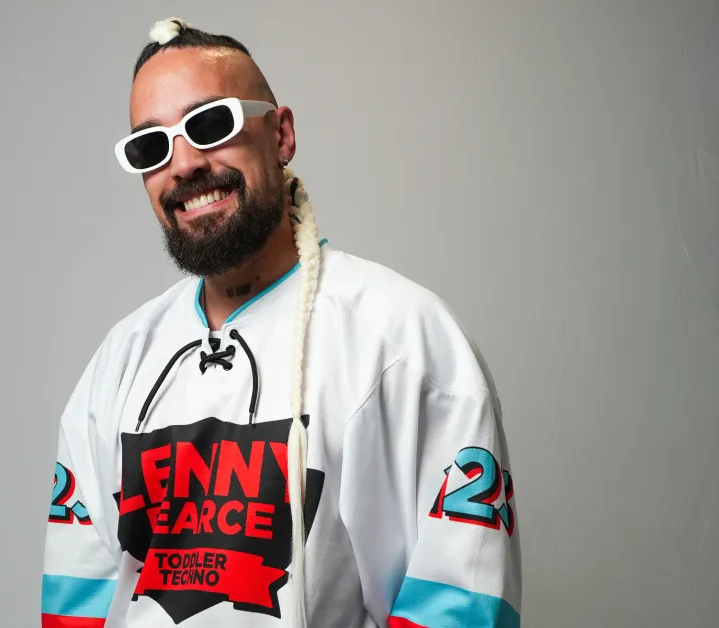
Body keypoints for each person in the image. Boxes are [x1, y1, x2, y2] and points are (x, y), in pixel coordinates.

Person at [41, 17, 521, 628]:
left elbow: (462, 604)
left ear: (282, 134)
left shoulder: (403, 339)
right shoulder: (118, 363)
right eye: (151, 146)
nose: (183, 164)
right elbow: (76, 601)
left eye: (210, 124)